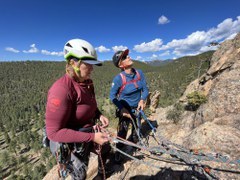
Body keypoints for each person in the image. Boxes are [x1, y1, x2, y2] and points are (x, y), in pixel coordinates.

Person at [45, 38, 112, 180]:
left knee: (105, 148)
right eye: (88, 64)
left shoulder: (87, 83)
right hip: (72, 140)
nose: (92, 68)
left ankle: (101, 175)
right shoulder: (61, 90)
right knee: (80, 174)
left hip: (87, 131)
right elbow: (53, 133)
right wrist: (92, 137)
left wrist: (98, 115)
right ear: (73, 62)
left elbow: (89, 104)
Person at [109, 49, 149, 162]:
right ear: (121, 65)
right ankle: (118, 152)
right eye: (125, 57)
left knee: (137, 130)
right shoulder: (118, 79)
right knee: (122, 133)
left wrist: (142, 100)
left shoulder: (139, 73)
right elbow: (112, 96)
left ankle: (134, 144)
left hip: (137, 109)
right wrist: (122, 108)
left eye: (127, 55)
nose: (128, 57)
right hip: (125, 110)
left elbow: (145, 89)